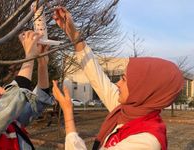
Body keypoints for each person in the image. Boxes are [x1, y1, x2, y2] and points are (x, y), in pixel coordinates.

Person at [52, 7, 184, 150]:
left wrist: (68, 115)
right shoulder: (127, 111)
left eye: (124, 79)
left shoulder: (145, 142)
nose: (117, 83)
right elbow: (96, 76)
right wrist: (74, 34)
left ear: (143, 90)